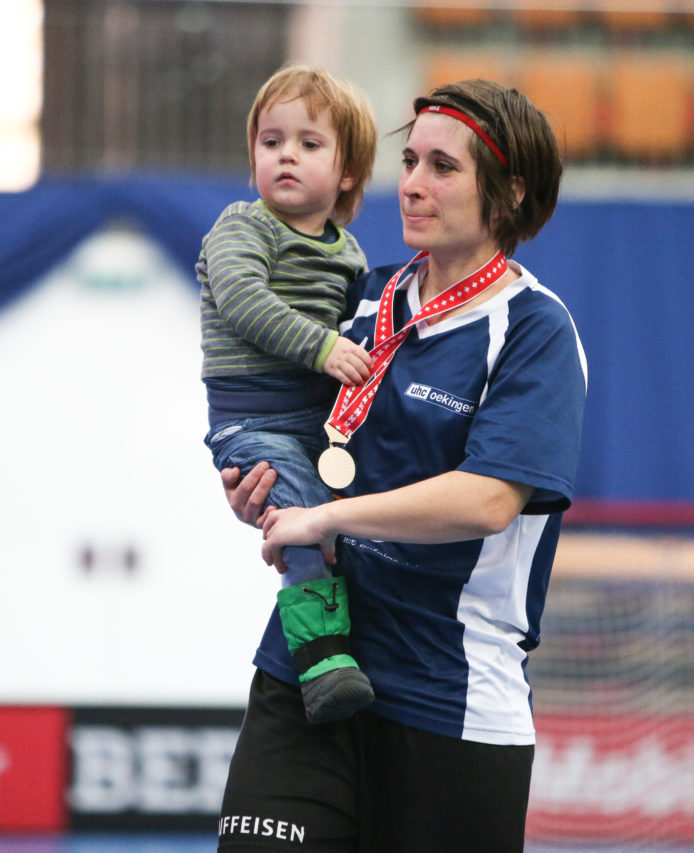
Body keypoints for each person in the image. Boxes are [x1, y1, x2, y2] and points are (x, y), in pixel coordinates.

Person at [216, 78, 587, 852]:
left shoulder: (535, 331)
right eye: (410, 160)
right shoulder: (362, 293)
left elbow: (487, 500)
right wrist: (261, 483)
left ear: (510, 192)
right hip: (316, 663)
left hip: (446, 694)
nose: (412, 183)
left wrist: (327, 514)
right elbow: (294, 426)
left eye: (442, 167)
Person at [197, 66, 379, 725]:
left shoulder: (351, 255)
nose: (285, 156)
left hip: (317, 422)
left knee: (345, 513)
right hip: (254, 423)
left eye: (308, 143)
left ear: (349, 170)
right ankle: (321, 660)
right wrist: (324, 348)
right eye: (271, 141)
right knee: (300, 508)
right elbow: (245, 301)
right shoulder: (244, 228)